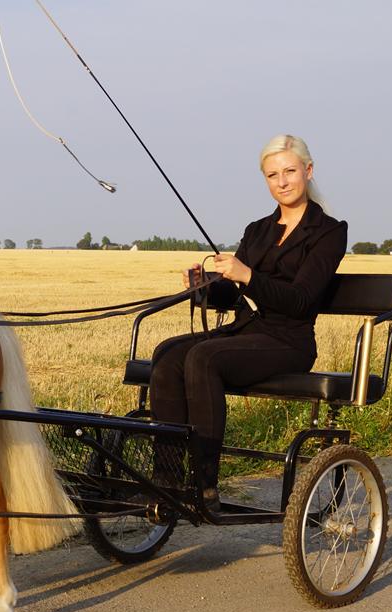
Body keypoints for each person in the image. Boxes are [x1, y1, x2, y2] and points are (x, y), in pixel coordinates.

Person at [148, 134, 347, 511]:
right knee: (168, 353)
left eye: (289, 171)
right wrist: (204, 288)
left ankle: (205, 486)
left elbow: (302, 300)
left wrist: (248, 275)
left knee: (203, 358)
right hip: (246, 332)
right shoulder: (257, 230)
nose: (282, 182)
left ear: (308, 170)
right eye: (273, 175)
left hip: (288, 342)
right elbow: (234, 296)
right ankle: (169, 480)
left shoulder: (329, 232)